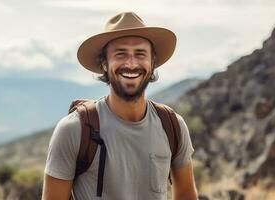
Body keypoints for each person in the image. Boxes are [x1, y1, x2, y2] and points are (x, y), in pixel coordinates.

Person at [42, 11, 198, 200]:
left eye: (140, 54)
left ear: (152, 62)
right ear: (105, 64)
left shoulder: (172, 126)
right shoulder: (74, 129)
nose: (131, 64)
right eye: (120, 54)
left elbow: (187, 195)